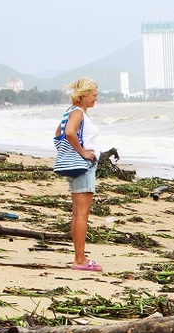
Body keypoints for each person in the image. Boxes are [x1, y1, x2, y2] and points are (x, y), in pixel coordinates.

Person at [57, 77, 102, 271]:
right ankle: (80, 260)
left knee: (77, 214)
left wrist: (71, 152)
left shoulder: (70, 112)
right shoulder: (77, 113)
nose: (96, 99)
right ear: (83, 97)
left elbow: (58, 133)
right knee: (82, 214)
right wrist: (82, 151)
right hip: (83, 166)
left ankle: (79, 257)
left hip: (76, 165)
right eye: (93, 95)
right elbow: (68, 132)